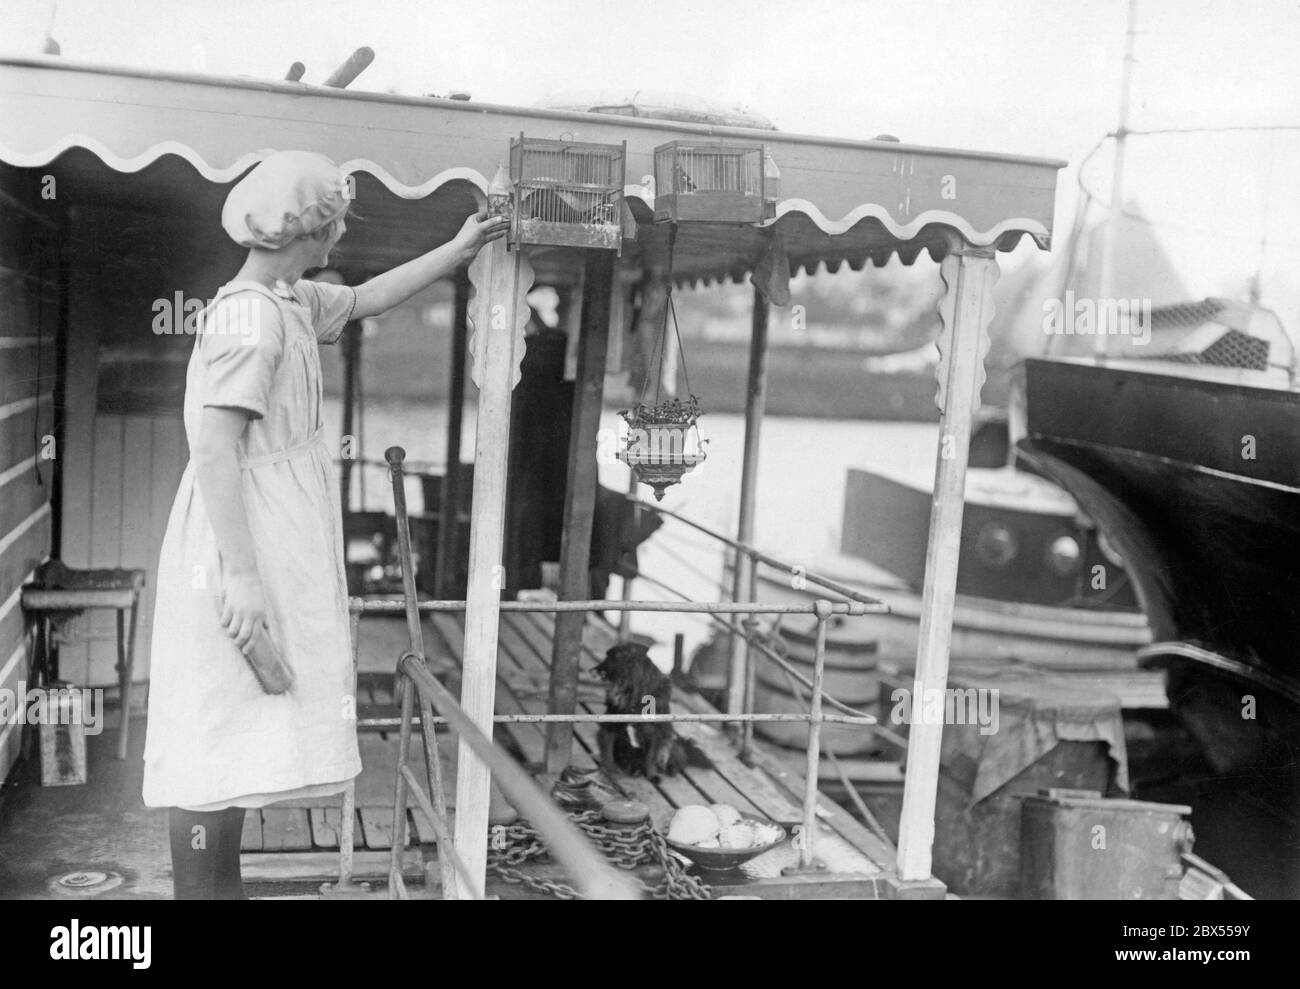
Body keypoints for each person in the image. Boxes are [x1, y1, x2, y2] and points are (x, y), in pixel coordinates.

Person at [142, 150, 507, 899]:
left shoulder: (288, 301)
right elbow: (214, 448)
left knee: (237, 732)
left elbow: (368, 297)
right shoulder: (251, 318)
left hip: (269, 536)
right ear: (308, 228)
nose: (337, 240)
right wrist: (241, 576)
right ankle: (200, 892)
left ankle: (221, 890)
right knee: (212, 731)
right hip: (237, 542)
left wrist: (459, 248)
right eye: (333, 225)